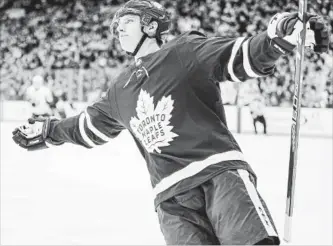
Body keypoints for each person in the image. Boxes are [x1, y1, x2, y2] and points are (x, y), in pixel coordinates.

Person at [12, 1, 329, 244]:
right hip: (171, 200)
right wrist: (47, 131)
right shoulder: (118, 90)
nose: (118, 29)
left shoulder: (185, 50)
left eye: (127, 22)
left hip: (220, 175)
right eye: (117, 25)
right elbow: (85, 128)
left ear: (150, 25)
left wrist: (281, 34)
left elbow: (241, 54)